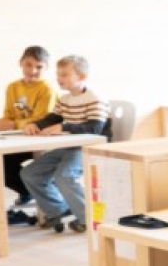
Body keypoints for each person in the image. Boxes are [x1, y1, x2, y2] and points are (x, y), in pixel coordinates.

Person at [19, 54, 106, 233]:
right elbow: (54, 117)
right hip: (67, 148)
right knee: (30, 173)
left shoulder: (95, 98)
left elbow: (96, 128)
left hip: (87, 149)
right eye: (58, 75)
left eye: (65, 75)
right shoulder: (64, 99)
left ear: (81, 77)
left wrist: (63, 126)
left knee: (65, 176)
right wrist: (35, 124)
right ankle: (57, 211)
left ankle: (89, 219)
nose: (59, 79)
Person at [0, 45, 54, 217]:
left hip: (40, 141)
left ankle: (45, 196)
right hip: (20, 138)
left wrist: (13, 125)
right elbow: (9, 115)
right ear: (21, 64)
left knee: (3, 164)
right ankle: (30, 192)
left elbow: (41, 119)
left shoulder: (47, 89)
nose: (33, 70)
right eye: (29, 65)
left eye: (39, 67)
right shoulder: (13, 87)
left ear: (46, 68)